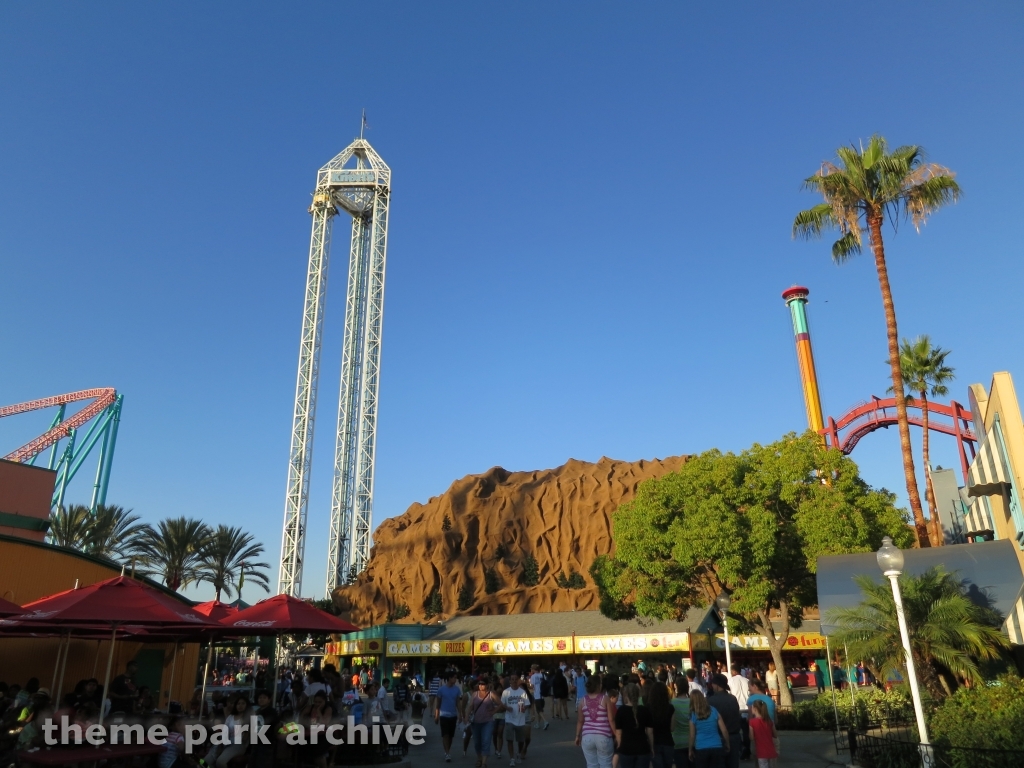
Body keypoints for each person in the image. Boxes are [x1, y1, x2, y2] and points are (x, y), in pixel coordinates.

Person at [576, 674, 615, 768]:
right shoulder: (605, 698)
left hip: (587, 736)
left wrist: (577, 736)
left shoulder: (582, 700)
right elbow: (611, 719)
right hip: (604, 736)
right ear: (598, 685)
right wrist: (617, 734)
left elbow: (580, 721)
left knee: (591, 764)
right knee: (606, 763)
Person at [203, 694, 251, 768]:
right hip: (225, 741)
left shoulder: (249, 717)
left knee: (220, 762)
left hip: (238, 744)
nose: (240, 706)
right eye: (238, 704)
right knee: (204, 762)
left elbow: (245, 737)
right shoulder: (231, 717)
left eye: (243, 703)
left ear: (246, 705)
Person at [706, 675, 742, 768]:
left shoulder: (711, 701)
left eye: (713, 684)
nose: (712, 687)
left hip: (718, 738)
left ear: (717, 685)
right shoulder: (733, 699)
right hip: (734, 736)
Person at [614, 683, 652, 768]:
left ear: (625, 695)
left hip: (626, 749)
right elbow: (650, 733)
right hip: (643, 748)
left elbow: (618, 733)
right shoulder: (645, 710)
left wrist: (619, 747)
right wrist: (651, 747)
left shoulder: (621, 711)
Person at [466, 676, 501, 768]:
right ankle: (479, 758)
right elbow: (470, 706)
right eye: (479, 684)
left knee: (486, 741)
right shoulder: (475, 694)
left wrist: (494, 711)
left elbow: (500, 704)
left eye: (483, 684)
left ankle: (484, 762)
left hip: (488, 722)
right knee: (477, 742)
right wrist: (466, 716)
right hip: (476, 722)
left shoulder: (491, 694)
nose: (481, 686)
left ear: (487, 685)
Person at [688, 690, 729, 768]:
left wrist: (690, 750)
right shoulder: (713, 710)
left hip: (701, 747)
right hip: (716, 745)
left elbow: (692, 735)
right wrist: (727, 743)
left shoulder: (693, 714)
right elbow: (724, 730)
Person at [501, 674, 530, 767]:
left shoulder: (522, 692)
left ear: (518, 681)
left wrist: (524, 707)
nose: (514, 681)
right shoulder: (506, 692)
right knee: (510, 739)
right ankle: (512, 758)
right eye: (512, 679)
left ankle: (518, 753)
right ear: (509, 681)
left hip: (520, 719)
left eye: (515, 679)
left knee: (521, 740)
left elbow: (527, 703)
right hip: (509, 719)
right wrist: (507, 707)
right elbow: (502, 704)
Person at [644, 682, 675, 768]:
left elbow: (649, 731)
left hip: (655, 742)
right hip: (668, 741)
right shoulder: (670, 708)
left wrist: (650, 746)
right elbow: (672, 728)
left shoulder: (648, 707)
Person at [301, 690, 334, 768]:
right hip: (310, 732)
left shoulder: (328, 709)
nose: (317, 704)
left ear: (324, 701)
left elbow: (324, 723)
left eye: (320, 702)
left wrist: (318, 711)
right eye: (315, 702)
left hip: (324, 734)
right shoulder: (310, 707)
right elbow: (301, 717)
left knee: (319, 750)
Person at [726, 664, 750, 760]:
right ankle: (747, 749)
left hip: (736, 709)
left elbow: (728, 694)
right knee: (746, 732)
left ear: (734, 671)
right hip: (746, 708)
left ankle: (741, 747)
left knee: (735, 731)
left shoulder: (730, 681)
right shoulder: (747, 681)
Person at [250, 690, 278, 768]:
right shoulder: (257, 711)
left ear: (269, 700)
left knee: (263, 763)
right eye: (260, 698)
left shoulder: (272, 712)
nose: (261, 699)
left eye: (264, 698)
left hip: (266, 742)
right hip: (256, 742)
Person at [748, 700, 778, 768]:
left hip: (761, 752)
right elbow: (775, 735)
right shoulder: (769, 721)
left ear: (755, 709)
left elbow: (751, 737)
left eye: (752, 707)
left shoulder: (752, 722)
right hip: (771, 751)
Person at [669, 677, 691, 768]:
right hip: (692, 741)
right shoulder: (693, 702)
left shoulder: (672, 703)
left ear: (676, 687)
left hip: (677, 741)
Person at [491, 681, 506, 758]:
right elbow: (491, 707)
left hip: (502, 717)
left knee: (500, 733)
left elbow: (505, 707)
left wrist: (499, 708)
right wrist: (499, 708)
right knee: (494, 733)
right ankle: (496, 748)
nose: (500, 689)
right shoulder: (492, 697)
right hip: (494, 717)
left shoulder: (504, 696)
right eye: (498, 688)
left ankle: (499, 750)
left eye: (501, 688)